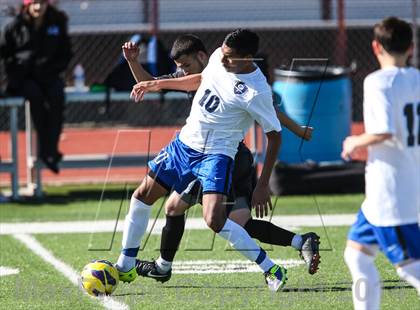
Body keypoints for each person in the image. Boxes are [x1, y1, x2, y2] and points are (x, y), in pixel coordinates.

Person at [121, 34, 320, 283]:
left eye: (228, 56)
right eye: (222, 52)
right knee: (177, 207)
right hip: (187, 147)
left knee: (218, 220)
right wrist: (157, 84)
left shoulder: (255, 90)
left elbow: (272, 124)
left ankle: (275, 263)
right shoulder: (218, 57)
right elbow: (202, 78)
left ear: (246, 58)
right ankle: (137, 264)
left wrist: (263, 185)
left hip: (225, 158)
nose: (221, 58)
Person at [341, 17, 420, 310]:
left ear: (375, 46)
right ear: (411, 47)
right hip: (387, 191)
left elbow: (384, 131)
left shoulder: (378, 82)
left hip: (391, 190)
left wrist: (353, 143)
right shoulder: (417, 79)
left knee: (409, 266)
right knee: (357, 255)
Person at [0, 0, 72, 173]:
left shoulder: (57, 23)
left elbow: (65, 53)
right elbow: (4, 52)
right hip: (23, 79)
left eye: (41, 3)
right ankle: (45, 151)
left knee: (56, 97)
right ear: (27, 5)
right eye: (34, 3)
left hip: (49, 76)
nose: (38, 8)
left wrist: (51, 68)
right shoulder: (15, 25)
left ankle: (50, 151)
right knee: (36, 97)